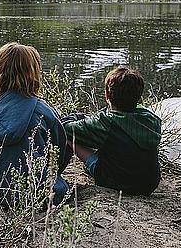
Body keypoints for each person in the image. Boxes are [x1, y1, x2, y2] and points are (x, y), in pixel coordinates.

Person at [0, 42, 69, 206]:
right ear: (33, 73)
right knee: (61, 186)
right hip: (36, 195)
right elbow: (58, 153)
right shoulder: (44, 111)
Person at [63, 65, 161, 195]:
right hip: (148, 184)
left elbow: (65, 128)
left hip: (117, 182)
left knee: (69, 136)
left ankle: (55, 174)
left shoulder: (106, 122)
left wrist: (76, 117)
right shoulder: (151, 119)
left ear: (107, 94)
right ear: (138, 95)